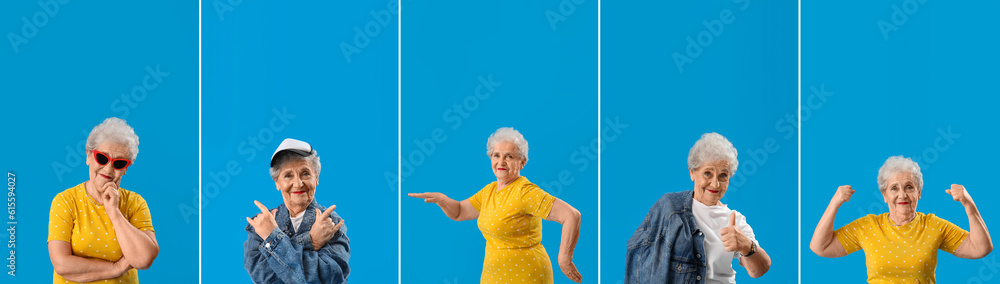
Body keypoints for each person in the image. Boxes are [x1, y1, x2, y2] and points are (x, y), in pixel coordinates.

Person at [409, 127, 584, 284]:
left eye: (509, 156)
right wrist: (442, 199)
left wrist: (564, 259)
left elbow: (571, 215)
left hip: (526, 276)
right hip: (494, 277)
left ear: (522, 162)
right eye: (496, 155)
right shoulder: (489, 191)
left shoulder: (525, 192)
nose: (501, 162)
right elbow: (459, 212)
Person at [810, 155, 992, 283]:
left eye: (909, 187)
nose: (902, 194)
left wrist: (969, 205)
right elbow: (820, 246)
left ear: (919, 193)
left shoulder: (933, 225)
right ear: (884, 195)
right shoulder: (867, 226)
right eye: (894, 188)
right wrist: (834, 203)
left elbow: (980, 248)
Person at [626, 132, 771, 284]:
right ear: (692, 172)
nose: (715, 184)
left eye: (723, 175)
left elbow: (760, 269)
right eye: (708, 173)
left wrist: (747, 246)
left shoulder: (734, 221)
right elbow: (640, 259)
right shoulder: (669, 208)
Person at [47, 117, 159, 283]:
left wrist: (113, 212)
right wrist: (117, 268)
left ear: (126, 169)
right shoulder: (65, 200)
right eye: (102, 158)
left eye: (119, 163)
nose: (108, 168)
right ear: (88, 157)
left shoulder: (136, 203)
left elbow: (144, 259)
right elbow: (62, 265)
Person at [244, 138, 350, 284]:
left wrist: (271, 237)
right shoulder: (261, 224)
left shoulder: (331, 223)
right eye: (288, 175)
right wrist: (310, 241)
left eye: (305, 173)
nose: (298, 183)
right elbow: (263, 278)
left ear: (316, 178)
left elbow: (328, 278)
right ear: (277, 182)